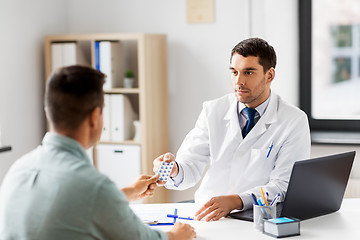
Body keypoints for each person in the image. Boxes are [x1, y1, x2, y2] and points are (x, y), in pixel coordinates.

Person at [0, 66, 196, 240]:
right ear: (95, 117)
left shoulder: (18, 170)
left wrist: (127, 192)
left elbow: (71, 206)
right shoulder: (93, 186)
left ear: (48, 112)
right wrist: (176, 235)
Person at [153, 38, 311, 222]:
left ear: (269, 76)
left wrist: (237, 201)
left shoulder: (293, 120)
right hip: (208, 213)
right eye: (234, 72)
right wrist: (174, 169)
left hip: (256, 216)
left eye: (248, 72)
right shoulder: (213, 111)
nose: (239, 81)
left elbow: (284, 185)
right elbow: (190, 166)